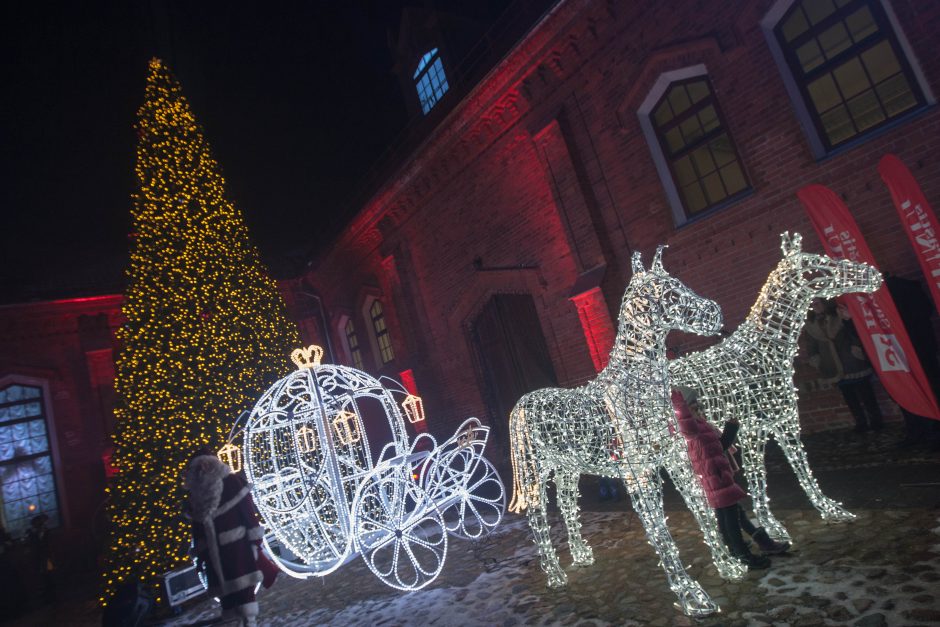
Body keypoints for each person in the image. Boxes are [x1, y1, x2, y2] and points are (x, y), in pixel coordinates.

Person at [673, 389, 784, 569]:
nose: (697, 405)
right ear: (685, 407)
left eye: (696, 402)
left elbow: (718, 447)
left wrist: (731, 429)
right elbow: (692, 431)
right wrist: (678, 401)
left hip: (718, 474)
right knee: (731, 518)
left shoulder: (699, 422)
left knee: (733, 515)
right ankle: (743, 555)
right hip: (715, 476)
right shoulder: (689, 425)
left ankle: (752, 545)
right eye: (693, 403)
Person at [183, 450, 270, 627]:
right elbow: (197, 529)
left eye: (205, 465)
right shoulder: (194, 496)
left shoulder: (232, 483)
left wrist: (255, 542)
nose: (202, 470)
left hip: (237, 549)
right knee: (228, 602)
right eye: (198, 468)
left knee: (245, 597)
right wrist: (200, 555)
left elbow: (248, 513)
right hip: (214, 557)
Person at [804, 299, 883, 433]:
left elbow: (853, 332)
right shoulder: (811, 325)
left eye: (817, 303)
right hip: (831, 363)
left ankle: (876, 421)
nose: (814, 307)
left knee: (865, 392)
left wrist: (857, 349)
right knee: (849, 395)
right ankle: (860, 422)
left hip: (850, 359)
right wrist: (817, 361)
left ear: (825, 303)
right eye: (812, 305)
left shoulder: (838, 315)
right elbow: (811, 346)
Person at [885, 273, 940, 450]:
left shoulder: (904, 289)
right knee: (909, 388)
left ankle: (931, 428)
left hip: (917, 349)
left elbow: (923, 314)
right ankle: (921, 429)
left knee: (928, 386)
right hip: (900, 351)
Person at [25, 513, 56, 605]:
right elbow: (31, 545)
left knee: (49, 576)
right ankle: (47, 597)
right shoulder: (32, 533)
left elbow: (48, 544)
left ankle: (51, 596)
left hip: (46, 557)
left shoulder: (45, 531)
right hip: (38, 558)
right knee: (42, 577)